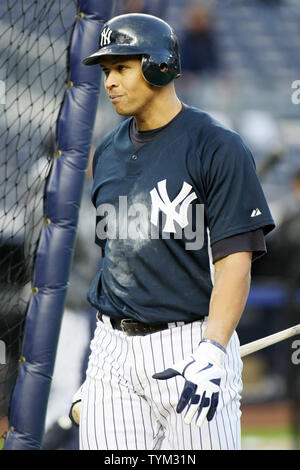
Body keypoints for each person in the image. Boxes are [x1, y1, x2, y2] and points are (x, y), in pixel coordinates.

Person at [70, 13, 275, 450]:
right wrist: (104, 365)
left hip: (190, 342)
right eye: (106, 71)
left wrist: (213, 349)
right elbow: (115, 260)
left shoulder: (217, 146)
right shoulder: (106, 151)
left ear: (159, 65)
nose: (109, 82)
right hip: (112, 349)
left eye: (122, 67)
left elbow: (235, 264)